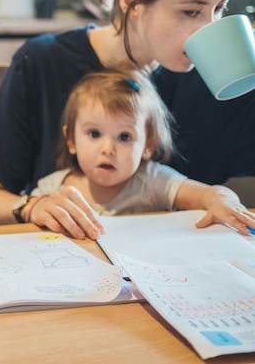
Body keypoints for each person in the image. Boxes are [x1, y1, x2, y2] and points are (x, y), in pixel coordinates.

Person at [0, 0, 255, 233]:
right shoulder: (43, 61)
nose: (209, 28)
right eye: (191, 11)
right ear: (131, 1)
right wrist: (34, 206)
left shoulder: (223, 78)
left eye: (219, 8)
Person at [23, 69, 255, 240]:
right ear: (71, 140)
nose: (107, 149)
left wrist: (223, 201)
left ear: (148, 145)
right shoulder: (54, 188)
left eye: (124, 137)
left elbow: (209, 194)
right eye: (94, 133)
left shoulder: (155, 181)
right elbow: (25, 231)